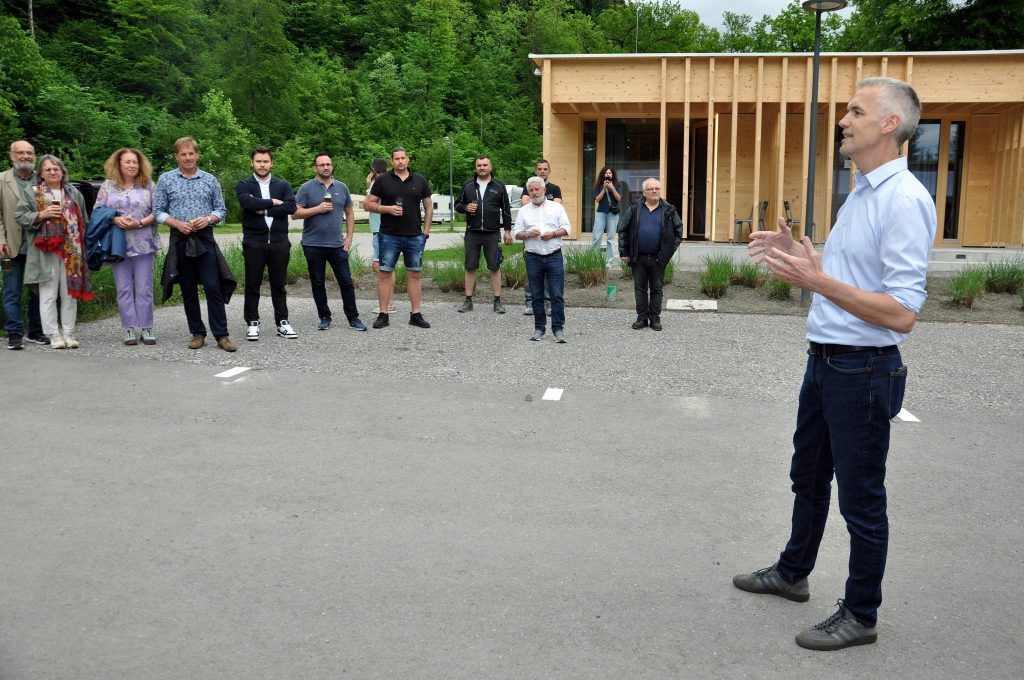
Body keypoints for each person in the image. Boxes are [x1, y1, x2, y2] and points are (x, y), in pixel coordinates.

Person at [733, 77, 937, 651]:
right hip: (825, 363)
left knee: (861, 498)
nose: (843, 120)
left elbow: (901, 312)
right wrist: (800, 251)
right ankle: (793, 573)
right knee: (807, 477)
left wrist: (815, 280)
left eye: (855, 111)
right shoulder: (863, 191)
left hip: (863, 370)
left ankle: (861, 613)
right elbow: (848, 281)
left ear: (890, 124)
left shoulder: (902, 200)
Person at [153, 136, 237, 352]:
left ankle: (222, 335)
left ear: (197, 155)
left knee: (213, 286)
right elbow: (158, 211)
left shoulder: (210, 180)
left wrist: (208, 219)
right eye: (183, 154)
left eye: (191, 153)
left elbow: (221, 210)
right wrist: (175, 223)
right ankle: (197, 333)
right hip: (180, 237)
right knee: (188, 288)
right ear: (176, 156)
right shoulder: (166, 180)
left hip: (204, 237)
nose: (188, 157)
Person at [15, 155, 92, 349]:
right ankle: (53, 334)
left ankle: (69, 332)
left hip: (72, 250)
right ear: (40, 173)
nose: (52, 172)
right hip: (45, 250)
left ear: (62, 171)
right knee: (48, 294)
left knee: (69, 294)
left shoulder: (73, 192)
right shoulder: (32, 192)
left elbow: (84, 219)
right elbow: (20, 216)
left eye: (56, 169)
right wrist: (42, 214)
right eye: (48, 169)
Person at [293, 153, 367, 332]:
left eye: (328, 164)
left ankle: (353, 318)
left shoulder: (342, 187)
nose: (325, 167)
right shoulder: (306, 188)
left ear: (332, 166)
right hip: (313, 244)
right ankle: (324, 317)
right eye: (321, 165)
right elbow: (295, 214)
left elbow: (349, 213)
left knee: (346, 282)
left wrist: (349, 237)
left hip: (337, 244)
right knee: (318, 282)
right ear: (315, 168)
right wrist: (317, 209)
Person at [95, 148, 160, 346]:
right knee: (123, 288)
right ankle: (129, 328)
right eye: (127, 162)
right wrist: (115, 219)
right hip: (118, 245)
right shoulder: (107, 186)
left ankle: (146, 327)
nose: (132, 165)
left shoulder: (148, 185)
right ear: (118, 164)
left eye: (135, 162)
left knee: (144, 288)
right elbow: (98, 211)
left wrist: (139, 223)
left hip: (144, 243)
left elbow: (158, 212)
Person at [364, 147, 432, 330]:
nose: (400, 161)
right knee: (385, 274)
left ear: (408, 159)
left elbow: (428, 207)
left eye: (403, 158)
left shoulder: (420, 180)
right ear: (392, 161)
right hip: (388, 235)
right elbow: (367, 204)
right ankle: (383, 314)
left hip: (414, 236)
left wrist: (425, 231)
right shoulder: (383, 180)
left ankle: (416, 314)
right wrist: (386, 209)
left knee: (415, 274)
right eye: (397, 159)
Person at [236, 146, 298, 341]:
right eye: (258, 161)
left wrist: (261, 207)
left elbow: (291, 207)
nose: (262, 165)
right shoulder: (243, 184)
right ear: (252, 162)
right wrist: (273, 202)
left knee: (278, 285)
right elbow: (247, 203)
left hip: (279, 242)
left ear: (272, 163)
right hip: (254, 241)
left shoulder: (283, 185)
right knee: (252, 284)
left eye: (265, 161)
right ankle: (252, 323)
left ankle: (282, 322)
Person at [617, 178, 682, 331]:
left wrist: (668, 251)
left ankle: (655, 319)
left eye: (657, 188)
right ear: (644, 193)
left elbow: (678, 232)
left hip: (658, 258)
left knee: (656, 289)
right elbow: (623, 230)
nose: (655, 191)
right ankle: (641, 318)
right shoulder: (635, 208)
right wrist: (624, 251)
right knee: (639, 289)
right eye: (651, 189)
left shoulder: (669, 210)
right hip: (638, 256)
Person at [0, 140, 47, 349]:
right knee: (12, 290)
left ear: (34, 156)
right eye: (21, 153)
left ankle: (36, 331)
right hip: (12, 245)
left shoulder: (44, 179)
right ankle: (15, 333)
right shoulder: (2, 180)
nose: (25, 156)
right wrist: (0, 240)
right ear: (12, 156)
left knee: (39, 290)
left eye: (29, 152)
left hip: (40, 245)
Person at [512, 176, 569, 344]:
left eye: (537, 189)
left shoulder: (556, 207)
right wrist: (528, 234)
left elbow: (567, 228)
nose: (534, 192)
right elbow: (516, 233)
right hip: (533, 257)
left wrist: (552, 234)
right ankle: (539, 328)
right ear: (528, 192)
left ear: (544, 190)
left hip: (553, 255)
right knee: (536, 295)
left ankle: (558, 329)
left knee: (557, 295)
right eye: (531, 190)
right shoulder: (524, 211)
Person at [454, 155, 512, 314]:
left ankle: (497, 301)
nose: (482, 168)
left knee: (494, 266)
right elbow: (457, 204)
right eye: (479, 165)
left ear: (490, 167)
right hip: (472, 233)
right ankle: (468, 301)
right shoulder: (468, 185)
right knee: (470, 266)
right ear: (476, 168)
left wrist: (507, 231)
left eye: (485, 165)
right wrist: (466, 208)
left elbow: (506, 210)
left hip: (492, 233)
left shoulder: (499, 186)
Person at [520, 159, 561, 316]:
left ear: (549, 171)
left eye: (545, 169)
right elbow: (525, 206)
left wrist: (541, 204)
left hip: (550, 241)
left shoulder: (555, 188)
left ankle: (549, 304)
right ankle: (530, 302)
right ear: (535, 170)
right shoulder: (528, 187)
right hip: (531, 240)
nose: (542, 171)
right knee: (532, 274)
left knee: (551, 276)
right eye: (539, 169)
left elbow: (557, 206)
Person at [366, 158, 394, 315]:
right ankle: (389, 302)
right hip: (384, 229)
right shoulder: (390, 182)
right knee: (388, 267)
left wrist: (369, 187)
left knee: (380, 267)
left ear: (373, 171)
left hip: (380, 230)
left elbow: (366, 205)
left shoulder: (378, 185)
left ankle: (388, 303)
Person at [591, 165, 624, 266]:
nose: (608, 174)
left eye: (610, 173)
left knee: (610, 238)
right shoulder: (598, 185)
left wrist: (612, 188)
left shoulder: (618, 185)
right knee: (597, 237)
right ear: (603, 174)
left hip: (612, 214)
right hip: (601, 212)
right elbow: (597, 199)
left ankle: (609, 260)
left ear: (612, 174)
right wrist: (604, 189)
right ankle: (594, 260)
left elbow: (618, 198)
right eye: (606, 173)